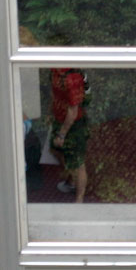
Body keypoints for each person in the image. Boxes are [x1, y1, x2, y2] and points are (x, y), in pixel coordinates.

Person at [47, 67, 90, 203]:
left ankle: (79, 199)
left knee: (78, 162)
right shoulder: (54, 71)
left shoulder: (72, 79)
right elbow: (54, 94)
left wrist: (62, 135)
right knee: (56, 150)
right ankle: (71, 180)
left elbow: (73, 111)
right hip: (60, 120)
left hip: (75, 125)